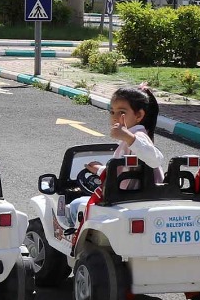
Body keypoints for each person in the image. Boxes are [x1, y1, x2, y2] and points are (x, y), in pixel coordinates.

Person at [67, 86, 166, 229]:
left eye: (122, 112)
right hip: (130, 198)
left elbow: (155, 159)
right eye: (112, 112)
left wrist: (128, 137)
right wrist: (99, 169)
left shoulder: (138, 137)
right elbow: (123, 173)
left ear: (139, 115)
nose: (114, 117)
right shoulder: (131, 140)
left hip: (127, 201)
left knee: (75, 205)